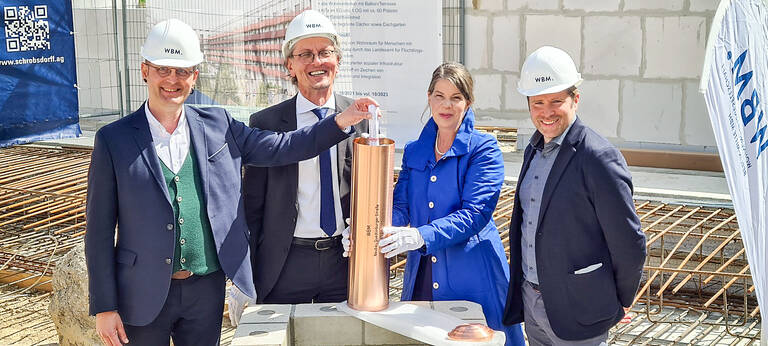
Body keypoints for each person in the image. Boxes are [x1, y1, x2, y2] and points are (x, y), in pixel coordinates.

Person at [84, 18, 376, 346]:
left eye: (182, 71)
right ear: (144, 71)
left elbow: (283, 147)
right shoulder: (114, 139)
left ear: (194, 76)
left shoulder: (217, 125)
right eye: (163, 70)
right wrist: (105, 307)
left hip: (204, 291)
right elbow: (98, 230)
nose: (172, 80)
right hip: (141, 293)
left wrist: (341, 121)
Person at [344, 62, 525, 345]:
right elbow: (400, 206)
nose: (446, 105)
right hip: (423, 277)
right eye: (439, 96)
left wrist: (419, 235)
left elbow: (474, 214)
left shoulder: (484, 150)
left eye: (456, 98)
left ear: (468, 102)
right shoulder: (416, 151)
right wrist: (365, 230)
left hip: (473, 277)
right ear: (429, 98)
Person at [502, 46, 647, 345]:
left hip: (580, 308)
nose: (547, 112)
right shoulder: (534, 149)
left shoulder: (598, 157)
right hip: (532, 302)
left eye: (556, 101)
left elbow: (629, 242)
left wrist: (620, 300)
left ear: (575, 99)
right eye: (538, 102)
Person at [242, 9, 365, 304]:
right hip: (285, 264)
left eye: (325, 52)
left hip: (344, 262)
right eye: (305, 54)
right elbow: (252, 207)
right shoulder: (266, 123)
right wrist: (244, 277)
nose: (317, 62)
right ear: (290, 64)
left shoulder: (360, 117)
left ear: (338, 59)